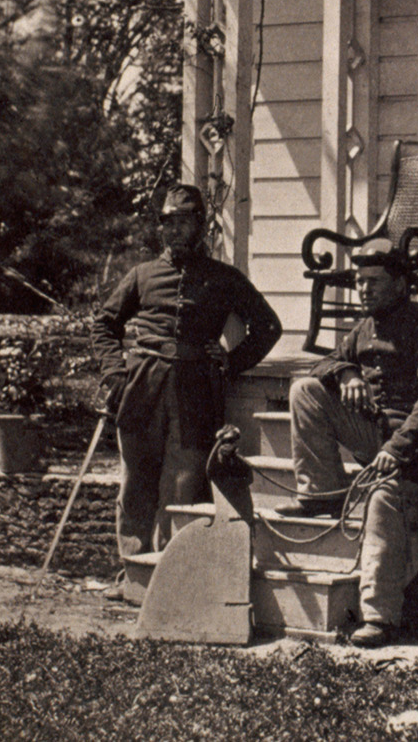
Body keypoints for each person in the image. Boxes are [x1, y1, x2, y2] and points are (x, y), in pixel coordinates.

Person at [93, 183, 281, 588]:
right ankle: (133, 577)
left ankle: (168, 583)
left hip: (196, 391)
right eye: (167, 223)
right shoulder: (142, 275)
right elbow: (104, 324)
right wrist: (114, 374)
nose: (173, 231)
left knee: (181, 486)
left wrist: (231, 362)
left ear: (201, 225)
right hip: (142, 387)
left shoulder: (224, 278)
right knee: (135, 483)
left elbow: (268, 326)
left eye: (182, 222)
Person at [284, 249, 418, 648]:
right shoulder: (364, 327)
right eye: (359, 282)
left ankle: (379, 618)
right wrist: (347, 372)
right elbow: (322, 363)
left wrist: (397, 450)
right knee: (305, 391)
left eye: (374, 282)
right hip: (375, 433)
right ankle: (320, 494)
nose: (363, 289)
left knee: (383, 498)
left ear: (400, 285)